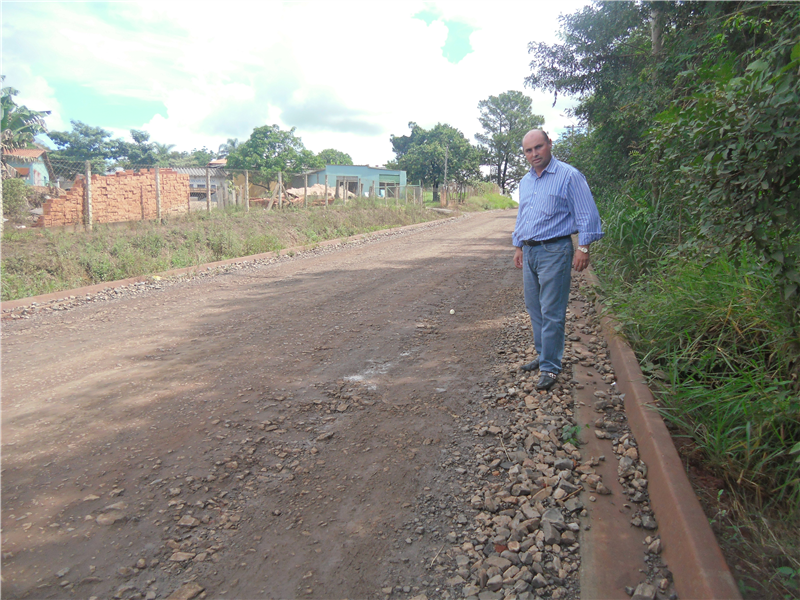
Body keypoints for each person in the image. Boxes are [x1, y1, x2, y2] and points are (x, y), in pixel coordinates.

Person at [512, 129, 604, 390]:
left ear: (550, 144)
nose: (534, 154)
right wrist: (518, 246)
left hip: (555, 251)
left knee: (552, 311)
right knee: (535, 309)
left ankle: (551, 368)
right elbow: (524, 216)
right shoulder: (526, 181)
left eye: (538, 147)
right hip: (530, 251)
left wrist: (583, 248)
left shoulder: (569, 176)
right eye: (528, 150)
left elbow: (587, 213)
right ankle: (543, 356)